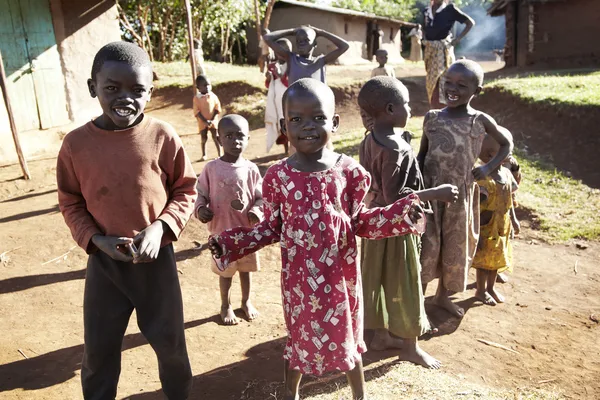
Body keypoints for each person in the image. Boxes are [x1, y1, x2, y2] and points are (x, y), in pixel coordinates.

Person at [208, 78, 426, 400]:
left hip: (341, 281)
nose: (307, 127)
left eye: (318, 118)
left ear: (334, 123)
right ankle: (290, 392)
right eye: (296, 119)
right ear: (284, 125)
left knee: (347, 338)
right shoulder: (278, 177)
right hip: (299, 284)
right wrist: (231, 243)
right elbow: (271, 228)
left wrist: (403, 215)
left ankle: (359, 395)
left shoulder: (349, 172)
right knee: (299, 339)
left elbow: (361, 222)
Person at [56, 41, 196, 399]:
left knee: (171, 347)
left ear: (151, 90)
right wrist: (94, 240)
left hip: (156, 263)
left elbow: (185, 189)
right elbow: (70, 201)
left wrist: (161, 227)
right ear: (93, 88)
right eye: (111, 89)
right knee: (99, 352)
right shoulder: (75, 146)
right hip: (105, 265)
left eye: (137, 90)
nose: (125, 98)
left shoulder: (163, 136)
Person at [358, 77, 458, 369]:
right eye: (406, 104)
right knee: (406, 281)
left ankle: (380, 336)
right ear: (390, 109)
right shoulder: (395, 149)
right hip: (397, 227)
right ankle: (410, 347)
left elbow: (373, 182)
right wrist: (435, 193)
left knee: (378, 279)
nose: (410, 108)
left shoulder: (370, 138)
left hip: (374, 223)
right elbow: (396, 197)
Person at [417, 59, 513, 319]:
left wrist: (489, 167)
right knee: (428, 246)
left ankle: (442, 297)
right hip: (431, 196)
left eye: (462, 85)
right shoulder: (432, 118)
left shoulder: (479, 121)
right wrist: (414, 186)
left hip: (460, 198)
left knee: (455, 248)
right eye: (448, 82)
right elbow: (422, 155)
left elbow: (506, 145)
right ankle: (418, 305)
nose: (452, 88)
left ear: (477, 90)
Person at [195, 114, 263, 325]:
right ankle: (225, 305)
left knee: (246, 270)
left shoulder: (251, 169)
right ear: (219, 137)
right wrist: (200, 209)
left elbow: (262, 198)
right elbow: (200, 194)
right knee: (225, 272)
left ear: (248, 138)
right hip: (221, 233)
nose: (235, 141)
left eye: (240, 136)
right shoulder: (211, 169)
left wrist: (257, 212)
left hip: (246, 233)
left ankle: (246, 301)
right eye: (229, 136)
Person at [473, 134, 519, 305]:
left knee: (498, 257)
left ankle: (490, 288)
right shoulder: (483, 180)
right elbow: (475, 207)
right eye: (508, 151)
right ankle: (480, 290)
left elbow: (509, 201)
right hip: (487, 226)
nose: (511, 155)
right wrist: (474, 229)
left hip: (502, 225)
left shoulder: (506, 174)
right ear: (492, 155)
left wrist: (513, 220)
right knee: (484, 260)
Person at [423, 0, 474, 109]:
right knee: (431, 82)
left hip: (443, 50)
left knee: (443, 79)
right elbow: (426, 29)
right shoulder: (427, 11)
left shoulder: (450, 9)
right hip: (430, 51)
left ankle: (444, 110)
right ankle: (434, 109)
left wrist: (457, 39)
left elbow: (470, 23)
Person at [263, 25, 349, 85]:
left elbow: (345, 46)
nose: (301, 43)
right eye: (298, 40)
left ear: (315, 44)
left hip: (316, 108)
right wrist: (292, 31)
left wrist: (321, 32)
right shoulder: (291, 58)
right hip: (295, 108)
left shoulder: (320, 61)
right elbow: (267, 38)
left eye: (306, 40)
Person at [265, 38, 292, 155]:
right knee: (281, 124)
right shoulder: (272, 65)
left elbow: (289, 82)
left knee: (291, 121)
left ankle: (293, 147)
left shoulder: (293, 64)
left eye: (284, 50)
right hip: (277, 100)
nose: (281, 52)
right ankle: (286, 149)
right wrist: (269, 77)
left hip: (290, 99)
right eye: (278, 50)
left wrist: (279, 74)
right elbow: (268, 85)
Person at [193, 74, 222, 161]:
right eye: (205, 85)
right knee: (204, 138)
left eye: (209, 84)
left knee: (216, 137)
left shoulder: (213, 96)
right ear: (198, 87)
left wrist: (212, 119)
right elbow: (197, 112)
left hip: (213, 121)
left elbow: (217, 108)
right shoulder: (196, 98)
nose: (208, 87)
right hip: (202, 122)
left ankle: (220, 154)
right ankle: (204, 155)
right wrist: (205, 121)